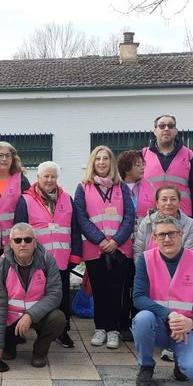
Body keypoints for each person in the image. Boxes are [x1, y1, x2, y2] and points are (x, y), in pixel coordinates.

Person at [132, 214, 193, 386]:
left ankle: (181, 364)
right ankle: (146, 366)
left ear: (181, 234)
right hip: (159, 325)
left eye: (172, 233)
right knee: (142, 319)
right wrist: (169, 315)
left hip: (188, 327)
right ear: (154, 238)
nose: (167, 239)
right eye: (161, 235)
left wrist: (191, 323)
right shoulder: (145, 259)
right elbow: (138, 297)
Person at [0, 223, 66, 370]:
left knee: (58, 318)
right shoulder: (0, 265)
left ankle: (39, 352)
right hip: (11, 314)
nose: (23, 244)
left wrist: (30, 315)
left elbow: (54, 295)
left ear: (35, 242)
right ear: (11, 243)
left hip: (37, 314)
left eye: (28, 240)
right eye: (18, 240)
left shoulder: (47, 260)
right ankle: (9, 344)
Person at [13, 161, 81, 349]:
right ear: (38, 178)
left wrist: (75, 254)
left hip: (61, 259)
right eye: (46, 176)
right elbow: (18, 230)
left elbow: (75, 229)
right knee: (33, 296)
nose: (49, 180)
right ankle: (26, 329)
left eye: (53, 176)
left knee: (61, 297)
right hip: (36, 260)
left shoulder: (67, 198)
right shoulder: (25, 200)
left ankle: (62, 331)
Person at [74, 145, 135, 350]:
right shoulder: (83, 187)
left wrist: (116, 241)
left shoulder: (122, 187)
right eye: (98, 159)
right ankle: (100, 328)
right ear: (93, 162)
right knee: (98, 290)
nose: (102, 162)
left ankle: (114, 330)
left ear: (111, 162)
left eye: (106, 159)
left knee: (116, 290)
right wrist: (100, 240)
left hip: (120, 248)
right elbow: (81, 217)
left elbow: (129, 216)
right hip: (94, 248)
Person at [140, 114, 193, 232]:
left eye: (170, 126)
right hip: (150, 221)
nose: (166, 129)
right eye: (162, 126)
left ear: (175, 131)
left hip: (182, 221)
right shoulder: (143, 155)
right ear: (155, 131)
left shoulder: (189, 156)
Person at [0, 142, 30, 267]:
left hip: (16, 242)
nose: (4, 159)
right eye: (0, 155)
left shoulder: (21, 180)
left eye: (8, 156)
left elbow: (30, 209)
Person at [117, 149, 149, 341]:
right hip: (121, 245)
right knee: (123, 286)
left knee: (139, 286)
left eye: (142, 164)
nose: (142, 167)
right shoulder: (117, 188)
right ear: (126, 168)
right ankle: (122, 324)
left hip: (142, 245)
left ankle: (138, 322)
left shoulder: (149, 187)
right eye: (137, 164)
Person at [134, 185, 193, 264]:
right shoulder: (146, 222)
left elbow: (189, 254)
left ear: (179, 203)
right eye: (164, 199)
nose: (168, 203)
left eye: (173, 199)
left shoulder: (190, 224)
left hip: (179, 270)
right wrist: (144, 270)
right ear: (157, 203)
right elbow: (138, 251)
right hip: (149, 269)